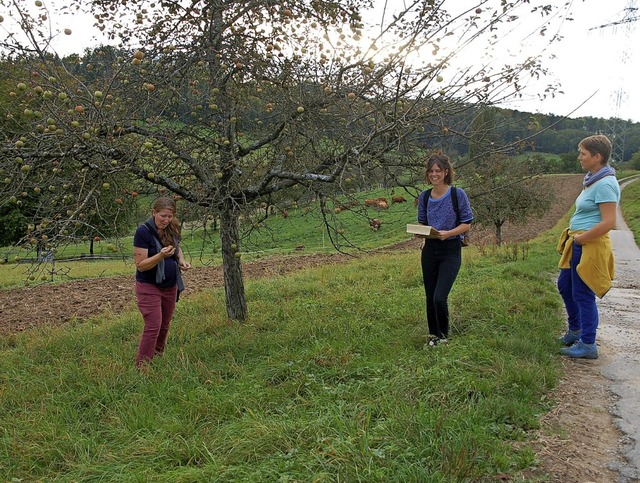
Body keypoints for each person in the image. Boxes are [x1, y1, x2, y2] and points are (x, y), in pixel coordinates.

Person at [557, 135, 620, 359]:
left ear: (597, 156)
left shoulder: (606, 184)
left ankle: (588, 343)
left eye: (583, 153)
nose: (579, 157)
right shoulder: (593, 179)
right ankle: (575, 330)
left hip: (588, 245)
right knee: (565, 287)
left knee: (583, 294)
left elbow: (609, 221)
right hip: (577, 243)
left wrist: (582, 239)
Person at [416, 152, 473, 347]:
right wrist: (420, 232)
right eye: (431, 171)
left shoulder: (458, 195)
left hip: (450, 249)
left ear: (446, 172)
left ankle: (443, 336)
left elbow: (467, 223)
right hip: (430, 249)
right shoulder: (424, 197)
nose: (434, 174)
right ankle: (433, 337)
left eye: (438, 171)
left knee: (440, 296)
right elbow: (422, 223)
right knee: (430, 296)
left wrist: (448, 233)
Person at [133, 197, 191, 368]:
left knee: (164, 325)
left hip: (170, 285)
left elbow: (177, 247)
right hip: (149, 286)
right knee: (153, 325)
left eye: (170, 216)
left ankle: (157, 357)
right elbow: (141, 265)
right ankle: (143, 366)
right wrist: (160, 256)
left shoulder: (172, 228)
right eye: (163, 216)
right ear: (154, 213)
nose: (166, 220)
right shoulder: (143, 232)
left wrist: (181, 260)